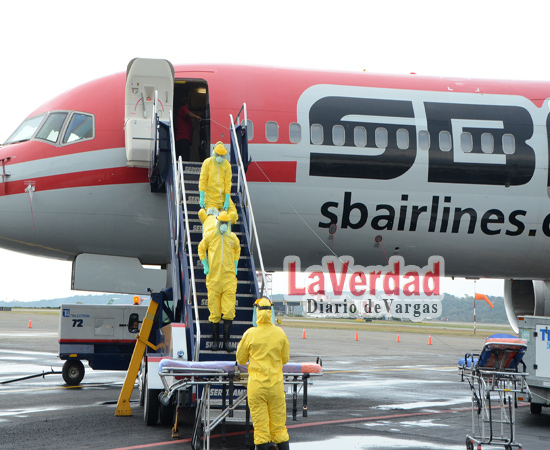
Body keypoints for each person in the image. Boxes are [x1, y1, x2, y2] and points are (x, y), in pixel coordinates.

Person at [236, 298, 291, 450]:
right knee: (279, 429)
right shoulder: (280, 333)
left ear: (256, 313)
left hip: (257, 387)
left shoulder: (250, 334)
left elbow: (240, 359)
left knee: (261, 431)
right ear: (272, 312)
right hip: (276, 387)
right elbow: (285, 359)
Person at [198, 210, 240, 352]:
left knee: (228, 311)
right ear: (218, 223)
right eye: (221, 223)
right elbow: (201, 248)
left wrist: (235, 264)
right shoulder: (210, 236)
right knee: (214, 312)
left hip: (229, 279)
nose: (223, 225)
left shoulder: (232, 238)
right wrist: (205, 264)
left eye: (225, 223)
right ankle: (215, 341)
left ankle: (226, 341)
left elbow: (237, 249)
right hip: (214, 279)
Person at [199, 141, 238, 225]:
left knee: (233, 215)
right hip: (211, 197)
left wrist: (227, 200)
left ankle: (225, 228)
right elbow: (202, 181)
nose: (219, 157)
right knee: (210, 216)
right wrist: (202, 197)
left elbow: (228, 183)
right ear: (214, 153)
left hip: (223, 197)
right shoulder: (207, 163)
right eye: (218, 155)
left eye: (222, 155)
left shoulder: (227, 165)